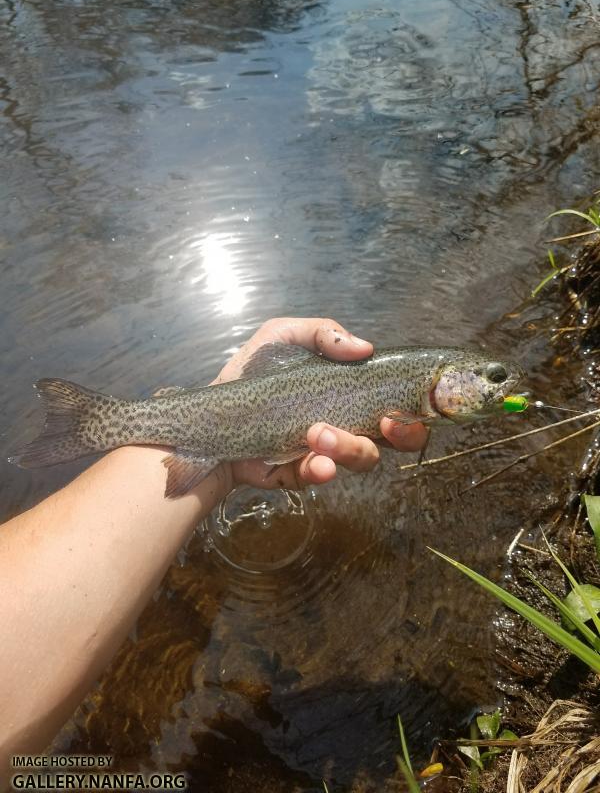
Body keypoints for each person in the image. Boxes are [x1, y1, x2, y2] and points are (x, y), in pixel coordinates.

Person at [0, 317, 426, 774]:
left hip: (215, 445)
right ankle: (98, 424)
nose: (505, 392)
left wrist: (222, 461)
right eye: (493, 380)